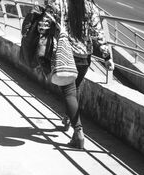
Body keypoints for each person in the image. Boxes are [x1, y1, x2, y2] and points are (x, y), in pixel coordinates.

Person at [39, 0, 114, 149]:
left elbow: (42, 27)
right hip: (84, 57)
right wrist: (107, 57)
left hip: (65, 56)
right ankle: (68, 116)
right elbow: (98, 33)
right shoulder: (90, 6)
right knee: (75, 89)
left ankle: (78, 132)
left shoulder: (58, 3)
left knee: (69, 92)